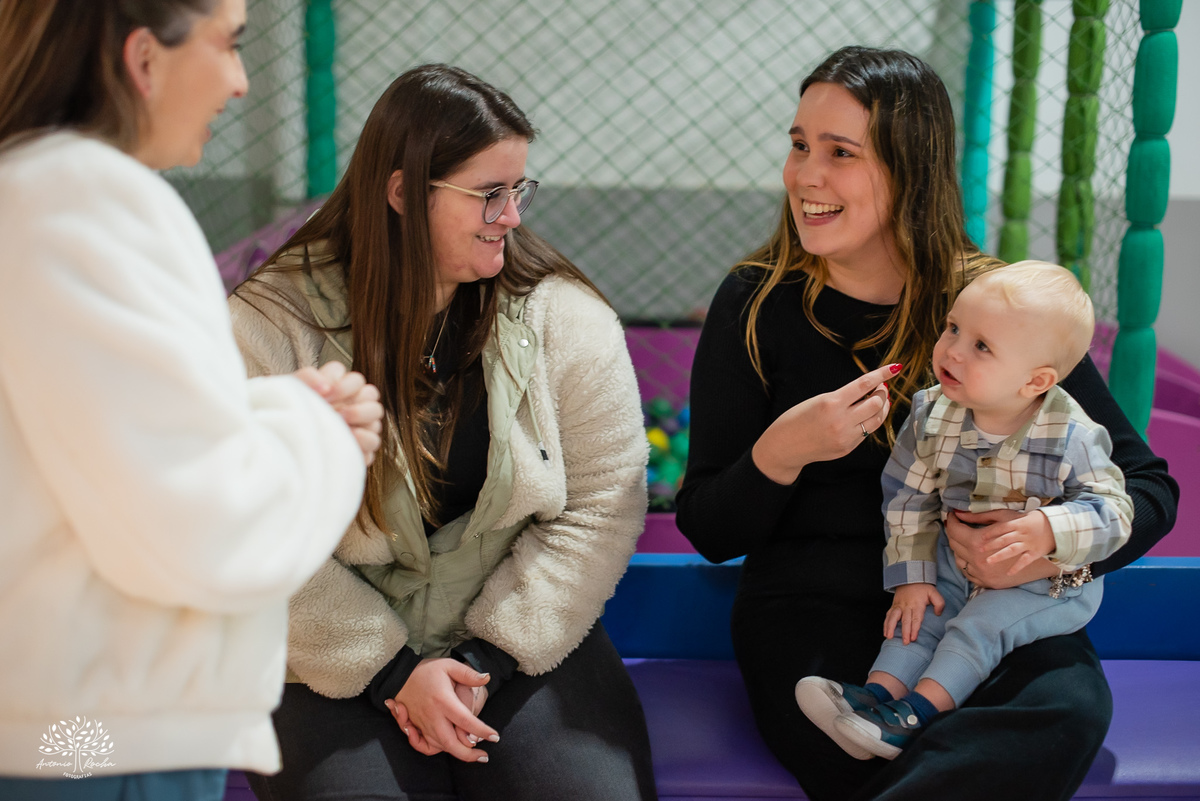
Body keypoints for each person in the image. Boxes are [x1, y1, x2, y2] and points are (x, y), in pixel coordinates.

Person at [675, 45, 1179, 801]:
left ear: (909, 168)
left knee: (1066, 710)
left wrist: (1044, 547)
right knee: (854, 747)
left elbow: (1148, 489)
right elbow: (710, 529)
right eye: (800, 145)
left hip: (988, 604)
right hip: (812, 604)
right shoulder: (756, 302)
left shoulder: (999, 309)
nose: (805, 175)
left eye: (840, 153)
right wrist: (781, 453)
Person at [227, 64, 657, 801]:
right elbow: (246, 528)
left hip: (515, 638)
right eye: (490, 194)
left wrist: (487, 654)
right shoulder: (270, 327)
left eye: (520, 190)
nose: (514, 216)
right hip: (324, 653)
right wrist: (395, 671)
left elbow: (600, 506)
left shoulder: (566, 316)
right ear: (401, 193)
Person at [0, 1, 384, 800]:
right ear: (143, 59)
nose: (241, 83)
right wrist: (323, 431)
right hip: (101, 744)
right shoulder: (86, 198)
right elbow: (199, 525)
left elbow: (102, 455)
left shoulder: (31, 191)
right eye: (230, 44)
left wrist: (269, 415)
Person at [795, 260, 1134, 761]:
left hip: (1043, 581)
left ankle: (915, 716)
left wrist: (1046, 528)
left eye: (981, 346)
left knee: (977, 626)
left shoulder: (1073, 435)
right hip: (957, 559)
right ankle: (876, 696)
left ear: (1034, 380)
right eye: (954, 328)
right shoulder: (933, 413)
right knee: (919, 613)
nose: (952, 349)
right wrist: (911, 576)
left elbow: (1115, 512)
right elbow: (907, 497)